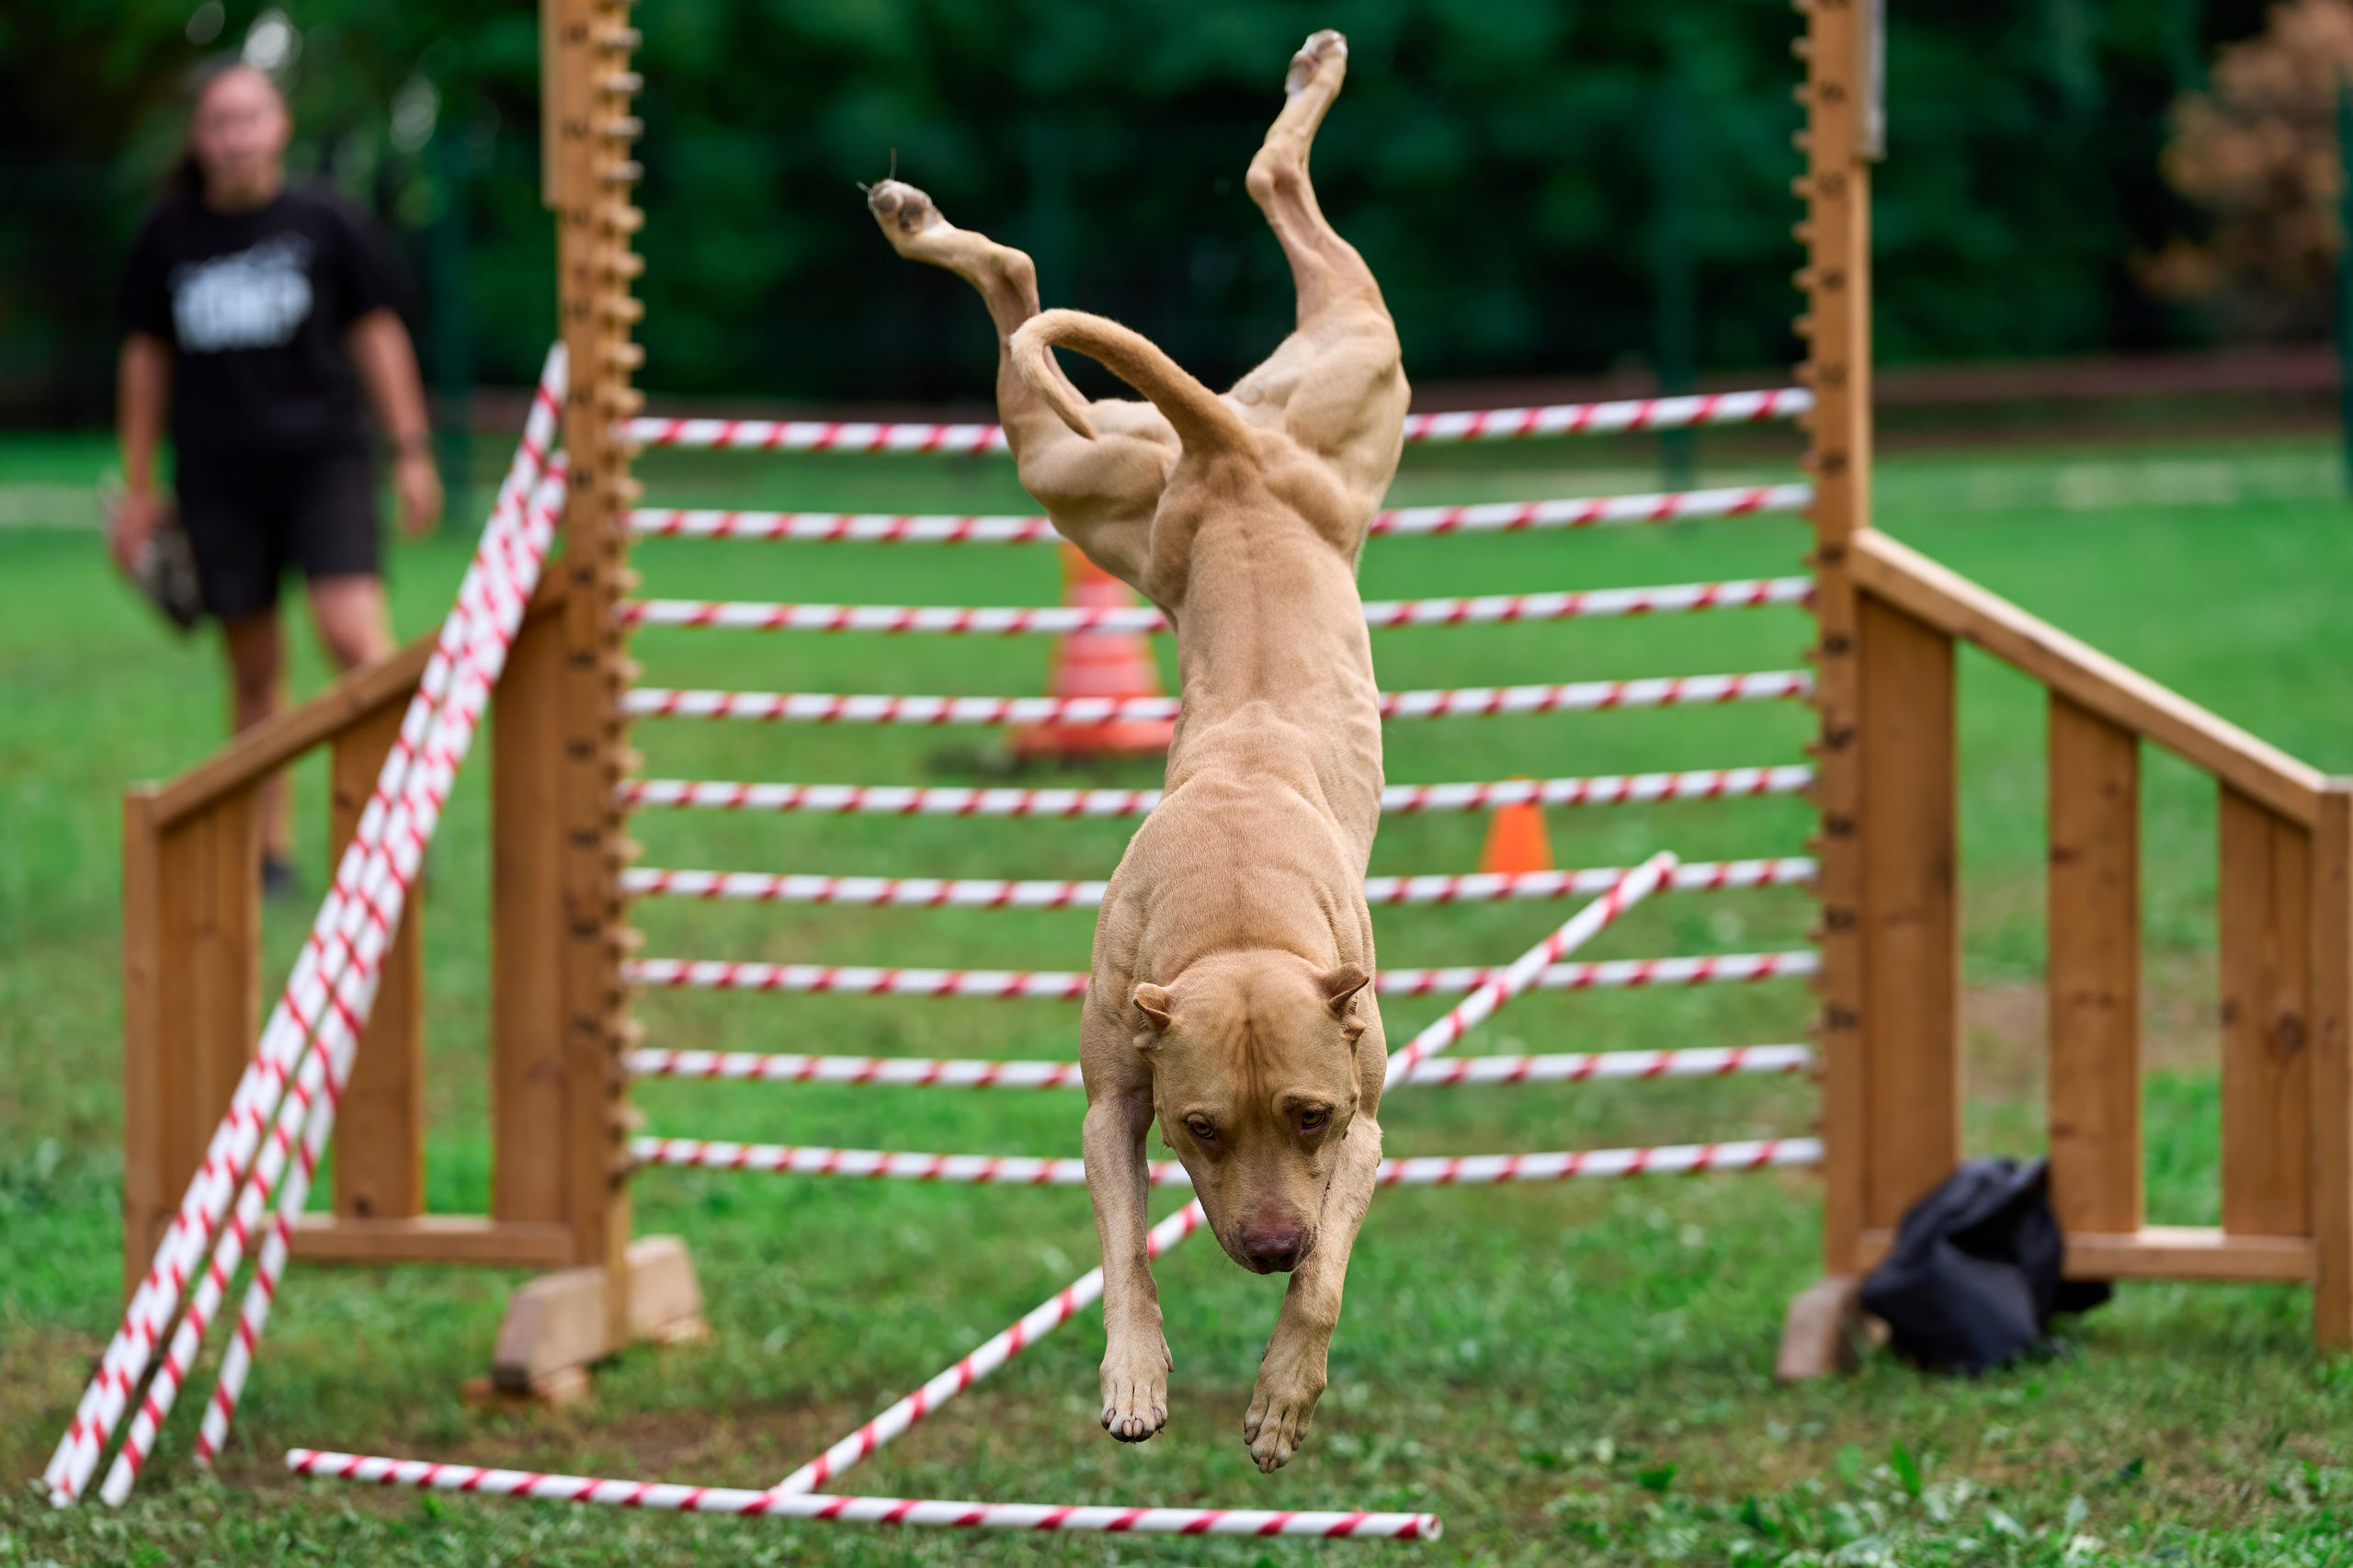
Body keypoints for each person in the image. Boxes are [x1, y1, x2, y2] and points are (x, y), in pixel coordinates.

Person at [111, 61, 443, 892]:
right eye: (218, 122)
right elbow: (145, 362)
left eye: (249, 119)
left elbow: (378, 334)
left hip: (325, 460)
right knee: (254, 671)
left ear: (280, 128)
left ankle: (400, 827)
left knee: (354, 638)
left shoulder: (327, 220)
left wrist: (409, 450)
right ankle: (270, 854)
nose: (233, 138)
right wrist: (140, 488)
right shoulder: (168, 236)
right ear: (198, 136)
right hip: (221, 477)